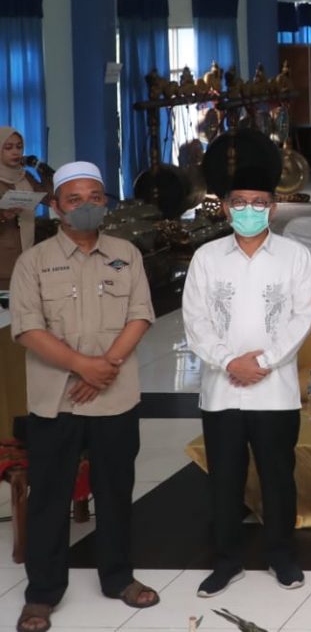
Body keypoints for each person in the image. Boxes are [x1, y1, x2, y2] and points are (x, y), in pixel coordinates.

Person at [9, 162, 159, 632]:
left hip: (115, 399)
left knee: (116, 492)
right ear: (55, 207)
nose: (87, 206)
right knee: (49, 497)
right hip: (56, 401)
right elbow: (28, 328)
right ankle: (42, 594)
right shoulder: (32, 261)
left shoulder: (127, 254)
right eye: (74, 199)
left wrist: (103, 368)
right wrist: (84, 366)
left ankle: (119, 578)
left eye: (95, 197)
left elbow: (140, 315)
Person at [182, 166, 311, 598]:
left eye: (259, 203)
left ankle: (282, 555)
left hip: (274, 389)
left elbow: (303, 315)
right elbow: (195, 321)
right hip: (222, 389)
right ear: (225, 208)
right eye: (239, 202)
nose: (249, 210)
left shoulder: (294, 256)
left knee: (278, 476)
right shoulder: (207, 257)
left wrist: (262, 361)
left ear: (273, 208)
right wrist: (228, 362)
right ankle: (226, 560)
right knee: (224, 477)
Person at [0, 126, 47, 291]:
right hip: (3, 263)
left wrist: (42, 170)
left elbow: (50, 198)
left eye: (19, 147)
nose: (15, 152)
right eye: (8, 147)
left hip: (27, 253)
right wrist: (4, 215)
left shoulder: (24, 176)